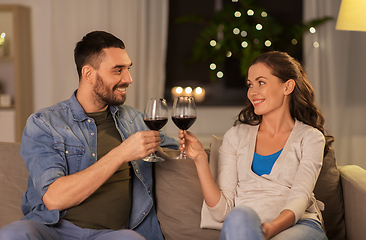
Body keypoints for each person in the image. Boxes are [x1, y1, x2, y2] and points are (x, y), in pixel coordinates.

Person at [0, 31, 178, 240]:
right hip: (54, 230)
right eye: (118, 70)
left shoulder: (135, 121)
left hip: (111, 235)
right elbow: (54, 199)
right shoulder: (44, 123)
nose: (128, 79)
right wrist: (121, 153)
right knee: (13, 234)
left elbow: (173, 150)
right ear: (88, 74)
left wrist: (194, 151)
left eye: (128, 69)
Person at [178, 51, 333, 240]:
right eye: (250, 84)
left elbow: (299, 198)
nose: (252, 92)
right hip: (245, 228)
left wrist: (269, 230)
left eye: (261, 82)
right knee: (239, 216)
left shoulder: (310, 138)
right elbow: (222, 213)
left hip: (298, 227)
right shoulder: (235, 136)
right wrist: (200, 160)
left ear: (288, 86)